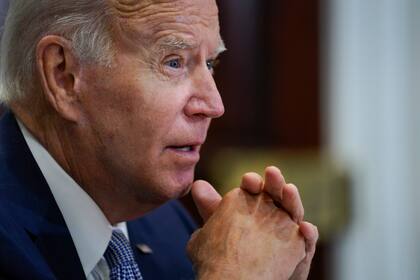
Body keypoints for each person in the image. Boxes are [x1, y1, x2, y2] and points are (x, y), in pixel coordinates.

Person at [0, 0, 318, 279]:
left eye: (210, 64)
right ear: (64, 75)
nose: (214, 106)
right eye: (174, 61)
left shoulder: (169, 227)